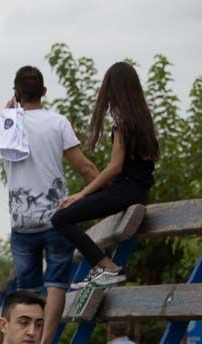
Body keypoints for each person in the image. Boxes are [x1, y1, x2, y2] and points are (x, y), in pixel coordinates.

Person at [0, 65, 100, 344]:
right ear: (44, 92)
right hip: (57, 216)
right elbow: (83, 166)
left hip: (21, 221)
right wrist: (102, 193)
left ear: (16, 94)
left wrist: (6, 115)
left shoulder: (7, 124)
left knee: (26, 288)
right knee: (57, 282)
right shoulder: (58, 123)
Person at [57, 62, 160, 289]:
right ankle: (103, 267)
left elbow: (115, 167)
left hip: (124, 191)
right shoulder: (144, 120)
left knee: (60, 218)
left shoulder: (122, 123)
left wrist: (81, 194)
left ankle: (106, 267)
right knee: (72, 214)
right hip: (139, 192)